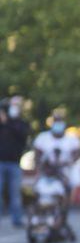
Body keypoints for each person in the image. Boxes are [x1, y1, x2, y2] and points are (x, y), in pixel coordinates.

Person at [0, 96, 30, 227]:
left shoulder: (21, 124)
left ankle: (17, 219)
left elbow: (22, 135)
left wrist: (8, 122)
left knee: (15, 194)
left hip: (14, 163)